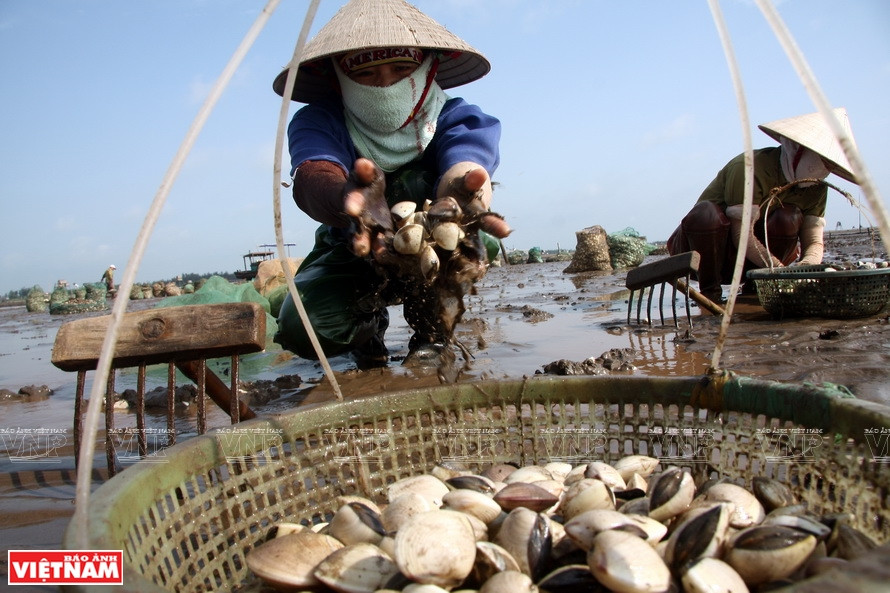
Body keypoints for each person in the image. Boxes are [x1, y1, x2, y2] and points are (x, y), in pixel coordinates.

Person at [271, 0, 508, 367]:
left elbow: (465, 160)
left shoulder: (456, 116)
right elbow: (312, 175)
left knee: (475, 237)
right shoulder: (320, 120)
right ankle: (366, 332)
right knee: (305, 326)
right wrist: (351, 201)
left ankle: (433, 332)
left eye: (401, 68)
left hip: (430, 253)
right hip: (353, 249)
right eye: (366, 74)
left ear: (428, 68)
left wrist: (459, 197)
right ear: (340, 76)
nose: (385, 84)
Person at [667, 108, 859, 302]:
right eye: (823, 160)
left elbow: (814, 241)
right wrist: (779, 270)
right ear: (798, 149)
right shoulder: (751, 168)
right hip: (708, 256)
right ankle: (710, 293)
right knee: (707, 213)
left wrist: (805, 268)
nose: (825, 169)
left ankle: (756, 287)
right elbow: (741, 236)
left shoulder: (816, 187)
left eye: (830, 165)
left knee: (788, 216)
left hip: (753, 265)